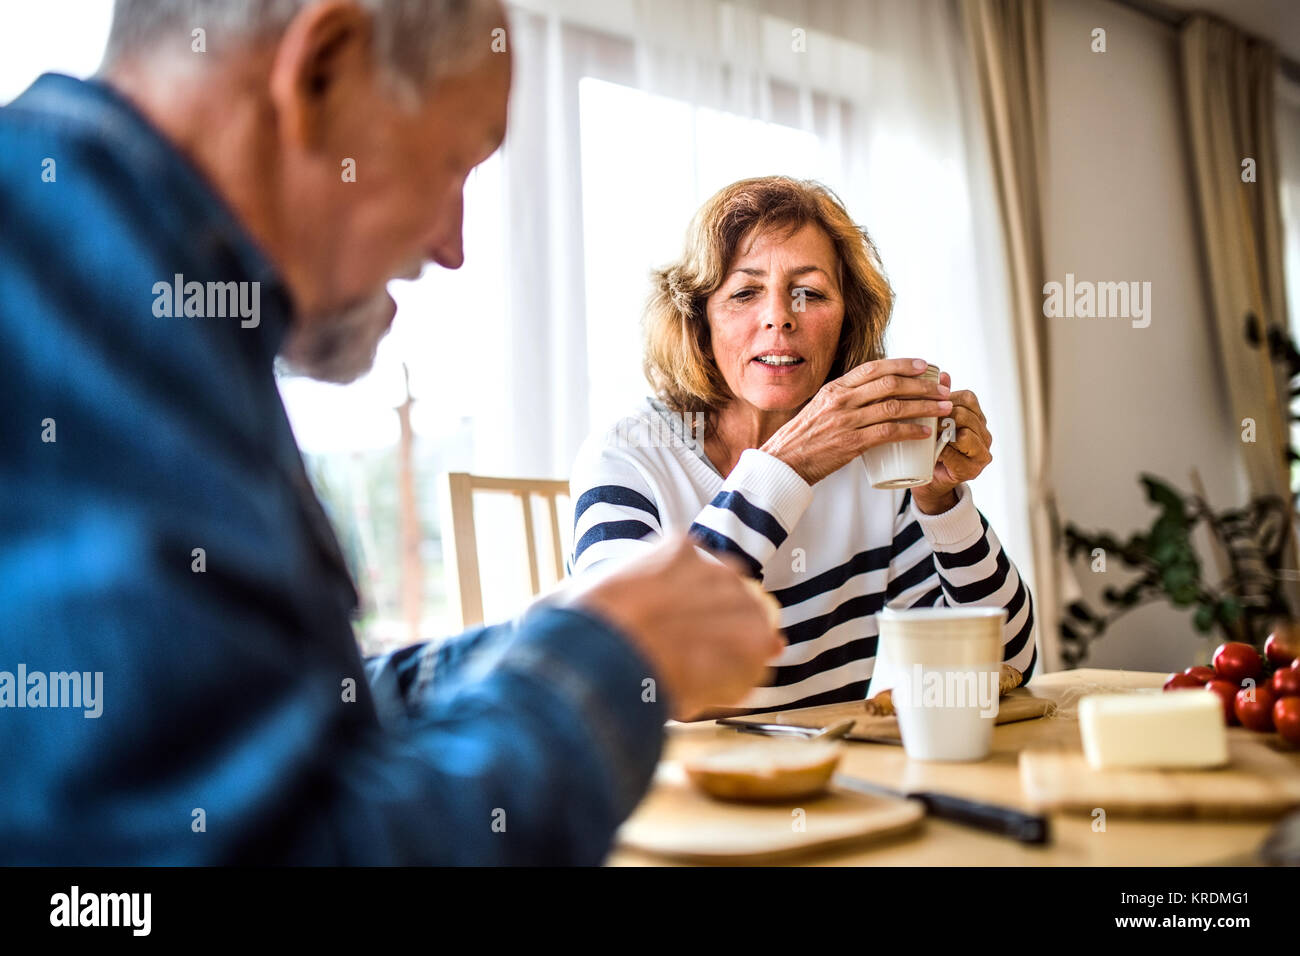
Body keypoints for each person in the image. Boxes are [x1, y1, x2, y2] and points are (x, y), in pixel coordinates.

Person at [0, 0, 783, 864]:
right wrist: (604, 664)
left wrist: (535, 645)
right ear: (321, 69)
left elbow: (248, 732)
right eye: (456, 164)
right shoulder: (66, 291)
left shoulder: (126, 271)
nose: (452, 246)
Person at [569, 176, 1036, 714]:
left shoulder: (875, 465)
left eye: (810, 293)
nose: (779, 317)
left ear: (848, 319)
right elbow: (618, 669)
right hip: (679, 787)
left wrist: (943, 503)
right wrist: (786, 467)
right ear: (699, 321)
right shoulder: (629, 453)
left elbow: (1009, 664)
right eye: (745, 292)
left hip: (833, 781)